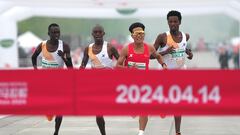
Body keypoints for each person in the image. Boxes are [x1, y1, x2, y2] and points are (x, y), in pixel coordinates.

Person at [116, 22, 167, 135]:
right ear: (132, 35)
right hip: (130, 85)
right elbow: (117, 66)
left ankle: (141, 132)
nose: (139, 35)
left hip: (145, 84)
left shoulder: (149, 47)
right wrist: (129, 70)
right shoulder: (126, 49)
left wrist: (163, 64)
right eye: (137, 33)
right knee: (133, 111)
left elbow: (158, 56)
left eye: (141, 33)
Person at [151, 10, 193, 135]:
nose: (173, 24)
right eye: (170, 22)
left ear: (180, 22)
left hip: (180, 73)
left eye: (175, 21)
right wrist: (165, 52)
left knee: (178, 103)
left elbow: (183, 47)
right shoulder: (162, 37)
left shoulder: (186, 36)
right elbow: (150, 56)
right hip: (165, 73)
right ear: (168, 23)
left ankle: (178, 132)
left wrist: (189, 53)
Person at [31, 23, 73, 135]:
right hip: (46, 84)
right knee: (49, 114)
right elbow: (33, 57)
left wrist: (63, 58)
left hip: (60, 83)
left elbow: (71, 68)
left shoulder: (64, 46)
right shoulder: (42, 45)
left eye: (58, 32)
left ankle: (56, 132)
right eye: (54, 32)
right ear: (48, 33)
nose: (56, 34)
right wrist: (35, 69)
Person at [80, 24, 119, 135]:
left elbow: (121, 61)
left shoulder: (110, 47)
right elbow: (82, 66)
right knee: (98, 113)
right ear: (92, 34)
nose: (97, 34)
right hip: (96, 86)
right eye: (95, 32)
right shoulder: (88, 48)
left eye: (99, 32)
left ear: (103, 33)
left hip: (110, 85)